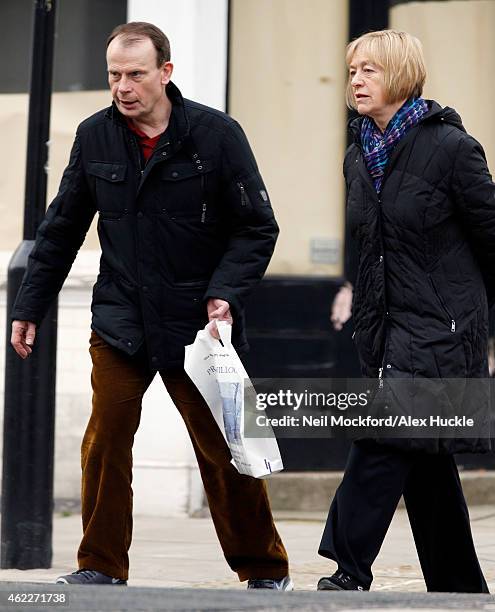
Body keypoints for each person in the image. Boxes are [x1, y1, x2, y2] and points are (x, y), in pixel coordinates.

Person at [10, 22, 292, 590]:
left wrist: (225, 291)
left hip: (196, 327)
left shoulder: (217, 135)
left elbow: (258, 227)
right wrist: (29, 306)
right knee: (106, 438)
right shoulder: (95, 137)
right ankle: (101, 565)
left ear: (166, 72)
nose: (123, 86)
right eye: (114, 74)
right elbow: (61, 229)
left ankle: (264, 568)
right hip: (121, 319)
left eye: (135, 74)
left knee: (222, 447)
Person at [317, 29, 493, 593]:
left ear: (400, 74)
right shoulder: (355, 155)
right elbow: (368, 246)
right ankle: (460, 587)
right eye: (352, 71)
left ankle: (348, 567)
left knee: (383, 438)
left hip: (441, 327)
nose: (356, 81)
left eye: (369, 69)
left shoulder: (451, 149)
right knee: (423, 461)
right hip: (384, 328)